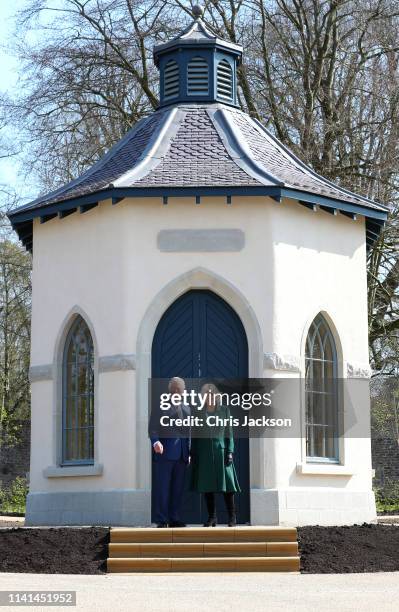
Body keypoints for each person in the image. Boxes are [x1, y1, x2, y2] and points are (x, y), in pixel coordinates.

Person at [190, 383, 240, 527]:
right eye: (206, 394)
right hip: (204, 453)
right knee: (207, 486)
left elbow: (229, 432)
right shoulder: (198, 412)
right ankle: (212, 518)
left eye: (211, 394)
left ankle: (232, 517)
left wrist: (230, 451)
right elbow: (195, 435)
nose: (209, 396)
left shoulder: (225, 410)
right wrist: (193, 453)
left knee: (228, 486)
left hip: (221, 452)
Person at [150, 376, 190, 528]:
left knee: (177, 489)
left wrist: (189, 451)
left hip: (182, 455)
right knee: (163, 488)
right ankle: (161, 519)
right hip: (164, 454)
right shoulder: (161, 406)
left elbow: (188, 432)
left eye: (182, 389)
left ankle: (174, 518)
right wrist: (155, 442)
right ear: (173, 390)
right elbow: (153, 428)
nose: (181, 391)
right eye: (179, 388)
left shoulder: (186, 408)